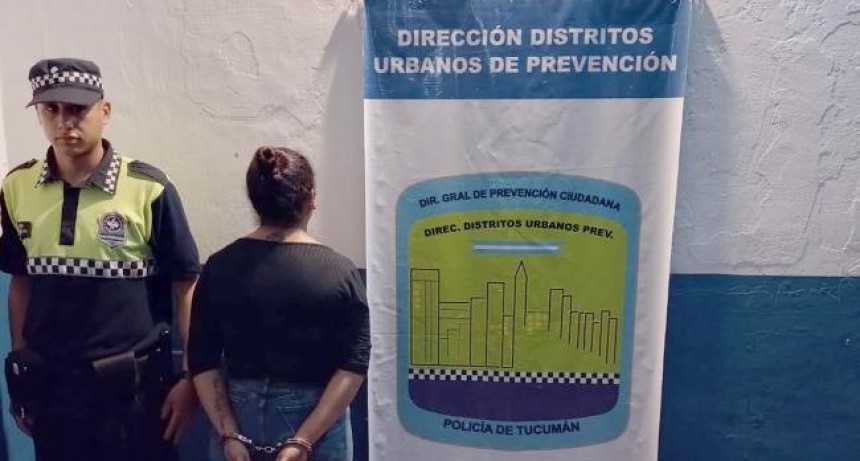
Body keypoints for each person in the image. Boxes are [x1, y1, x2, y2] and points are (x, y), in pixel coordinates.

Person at [0, 58, 200, 461]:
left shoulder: (148, 189)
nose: (64, 122)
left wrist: (190, 378)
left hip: (135, 397)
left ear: (104, 111)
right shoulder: (18, 186)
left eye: (77, 108)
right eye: (51, 109)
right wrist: (21, 364)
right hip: (54, 395)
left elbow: (186, 284)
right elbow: (21, 281)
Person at [188, 146, 370, 461]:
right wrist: (303, 441)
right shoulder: (339, 272)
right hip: (316, 422)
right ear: (311, 199)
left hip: (236, 416)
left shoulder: (219, 266)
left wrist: (229, 434)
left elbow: (202, 359)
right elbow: (353, 365)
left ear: (254, 200)